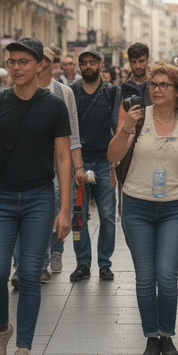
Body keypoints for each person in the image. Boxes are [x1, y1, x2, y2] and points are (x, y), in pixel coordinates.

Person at [0, 37, 72, 355]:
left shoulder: (54, 106)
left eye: (23, 61)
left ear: (40, 64)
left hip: (40, 197)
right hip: (0, 198)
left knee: (28, 275)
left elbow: (63, 158)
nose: (15, 67)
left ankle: (24, 348)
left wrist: (65, 208)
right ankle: (2, 328)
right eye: (12, 61)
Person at [111, 64, 178, 355]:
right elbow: (112, 157)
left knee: (166, 274)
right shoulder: (137, 118)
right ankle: (151, 337)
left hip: (175, 208)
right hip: (137, 206)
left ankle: (167, 335)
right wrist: (125, 127)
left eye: (164, 85)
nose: (157, 89)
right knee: (144, 277)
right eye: (153, 84)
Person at [69, 50, 119, 282]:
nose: (88, 66)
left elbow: (117, 127)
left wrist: (115, 161)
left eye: (92, 63)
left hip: (104, 162)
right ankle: (83, 262)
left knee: (108, 216)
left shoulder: (111, 92)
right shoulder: (72, 92)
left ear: (100, 64)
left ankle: (104, 263)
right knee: (79, 215)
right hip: (79, 163)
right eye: (84, 63)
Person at [35, 45, 83, 281]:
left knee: (57, 208)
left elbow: (73, 134)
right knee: (42, 212)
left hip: (58, 164)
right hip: (31, 163)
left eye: (45, 60)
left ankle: (56, 249)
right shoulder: (19, 91)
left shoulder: (64, 93)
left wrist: (78, 168)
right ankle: (40, 264)